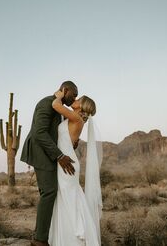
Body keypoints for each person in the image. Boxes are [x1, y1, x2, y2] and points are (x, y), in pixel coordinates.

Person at [20, 81, 79, 246]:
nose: (75, 98)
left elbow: (56, 133)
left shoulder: (59, 107)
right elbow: (39, 133)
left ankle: (42, 234)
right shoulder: (46, 103)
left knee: (49, 192)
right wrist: (59, 156)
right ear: (65, 90)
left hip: (50, 154)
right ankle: (39, 240)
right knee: (49, 192)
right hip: (41, 154)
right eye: (73, 94)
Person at [48, 90, 102, 246]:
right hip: (66, 163)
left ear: (82, 105)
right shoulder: (77, 120)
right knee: (67, 200)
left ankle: (72, 239)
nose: (76, 99)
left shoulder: (76, 118)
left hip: (66, 165)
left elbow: (55, 105)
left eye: (79, 99)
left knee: (69, 200)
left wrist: (59, 95)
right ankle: (68, 237)